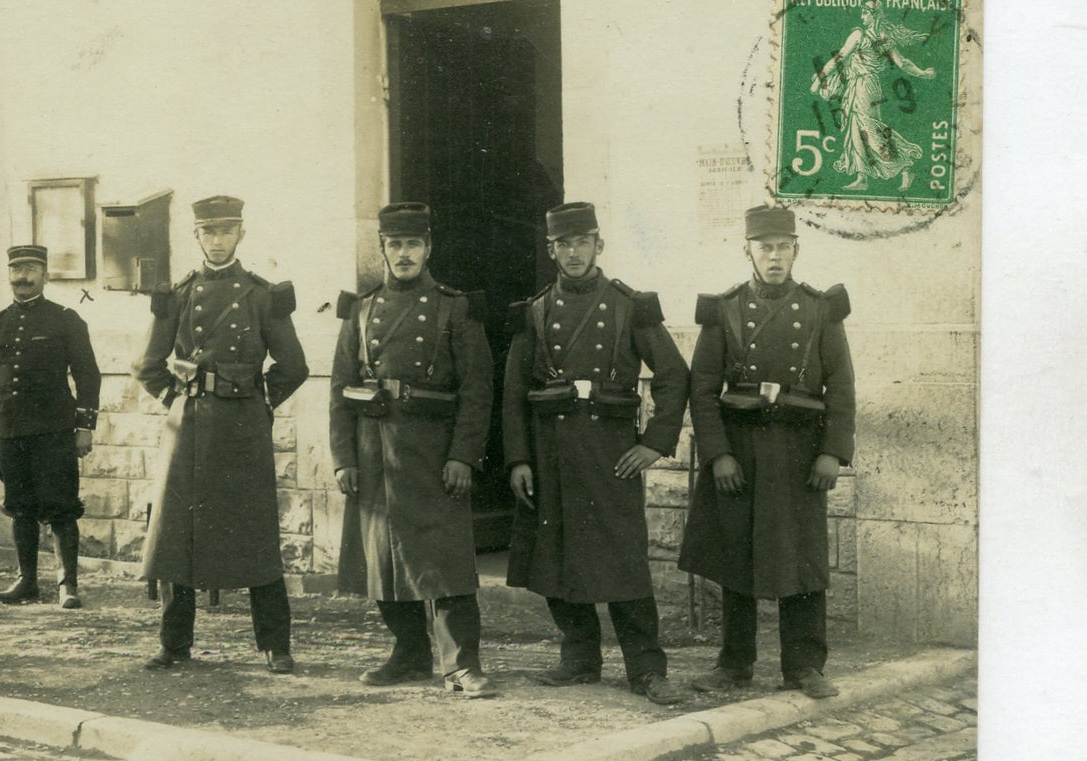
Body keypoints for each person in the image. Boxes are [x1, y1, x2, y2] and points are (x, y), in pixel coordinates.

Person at [501, 201, 690, 705]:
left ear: (599, 245)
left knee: (624, 559)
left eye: (583, 241)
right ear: (551, 250)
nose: (574, 252)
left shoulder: (630, 305)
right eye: (564, 243)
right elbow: (513, 391)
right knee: (556, 555)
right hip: (552, 451)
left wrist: (653, 442)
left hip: (611, 451)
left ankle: (647, 669)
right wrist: (519, 458)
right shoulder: (535, 310)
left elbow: (673, 374)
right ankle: (579, 658)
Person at [679, 204, 856, 699]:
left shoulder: (821, 309)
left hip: (800, 454)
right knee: (737, 556)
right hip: (741, 451)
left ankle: (804, 666)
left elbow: (841, 385)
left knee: (803, 560)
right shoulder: (724, 309)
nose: (774, 257)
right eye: (764, 248)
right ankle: (734, 665)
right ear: (748, 251)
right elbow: (703, 389)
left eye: (782, 247)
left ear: (795, 249)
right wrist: (718, 455)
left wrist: (833, 453)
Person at [134, 195, 308, 674]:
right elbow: (146, 364)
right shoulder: (178, 293)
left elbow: (294, 365)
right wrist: (177, 398)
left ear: (241, 235)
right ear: (196, 237)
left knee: (255, 529)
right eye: (208, 232)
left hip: (242, 425)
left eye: (226, 232)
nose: (217, 241)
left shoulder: (262, 294)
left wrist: (260, 400)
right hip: (188, 425)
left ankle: (276, 645)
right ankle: (174, 644)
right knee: (177, 532)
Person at [329, 202, 497, 698]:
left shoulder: (455, 307)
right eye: (395, 245)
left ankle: (462, 665)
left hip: (434, 450)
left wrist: (463, 456)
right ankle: (408, 653)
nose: (404, 255)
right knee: (382, 559)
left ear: (429, 249)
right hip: (375, 449)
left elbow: (477, 390)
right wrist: (343, 458)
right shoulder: (361, 309)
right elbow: (340, 389)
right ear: (382, 249)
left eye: (413, 245)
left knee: (444, 562)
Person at [0, 245, 101, 609]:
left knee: (61, 506)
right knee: (19, 506)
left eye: (30, 269)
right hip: (9, 430)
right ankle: (26, 582)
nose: (22, 277)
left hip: (53, 429)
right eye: (16, 269)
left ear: (45, 275)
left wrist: (84, 426)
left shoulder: (66, 319)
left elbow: (88, 375)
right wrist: (12, 407)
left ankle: (68, 585)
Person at [811, 0, 936, 191]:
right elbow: (902, 63)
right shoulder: (882, 37)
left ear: (874, 15)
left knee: (869, 129)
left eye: (865, 12)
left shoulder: (860, 36)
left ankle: (904, 166)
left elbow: (840, 58)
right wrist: (922, 73)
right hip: (864, 85)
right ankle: (862, 178)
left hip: (864, 85)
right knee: (856, 128)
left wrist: (821, 77)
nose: (861, 16)